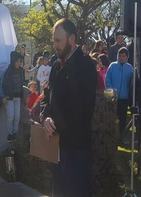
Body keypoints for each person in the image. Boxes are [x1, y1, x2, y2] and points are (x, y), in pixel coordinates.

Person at [41, 18, 97, 197]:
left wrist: (54, 124)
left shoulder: (86, 66)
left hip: (76, 149)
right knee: (58, 191)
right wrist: (45, 117)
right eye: (53, 40)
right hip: (56, 145)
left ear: (72, 39)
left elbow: (81, 109)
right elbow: (46, 97)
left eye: (58, 40)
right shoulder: (57, 65)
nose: (54, 45)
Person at [105, 47, 133, 137]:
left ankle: (123, 136)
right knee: (111, 117)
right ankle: (110, 135)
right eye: (120, 56)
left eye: (123, 56)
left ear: (127, 57)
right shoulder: (112, 66)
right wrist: (112, 90)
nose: (121, 58)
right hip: (113, 97)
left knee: (123, 118)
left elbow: (131, 83)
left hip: (124, 98)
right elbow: (108, 79)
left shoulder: (130, 68)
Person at [2, 51, 24, 143]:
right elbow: (3, 84)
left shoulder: (20, 71)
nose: (19, 63)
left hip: (18, 97)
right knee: (10, 116)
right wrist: (5, 96)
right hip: (10, 97)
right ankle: (9, 134)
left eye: (20, 61)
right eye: (18, 61)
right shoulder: (8, 72)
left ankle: (15, 132)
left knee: (17, 116)